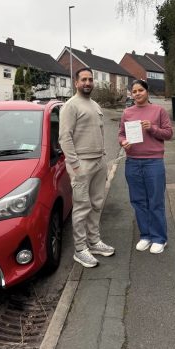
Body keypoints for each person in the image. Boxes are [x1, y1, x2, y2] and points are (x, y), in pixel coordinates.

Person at [59, 67, 115, 268]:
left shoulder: (95, 105)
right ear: (76, 83)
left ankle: (94, 241)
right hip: (81, 164)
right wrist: (75, 165)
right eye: (83, 79)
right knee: (82, 207)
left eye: (90, 79)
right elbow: (65, 137)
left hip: (99, 162)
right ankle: (80, 249)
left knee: (97, 204)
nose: (88, 83)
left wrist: (105, 160)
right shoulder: (70, 106)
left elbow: (99, 133)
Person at [118, 79, 173, 254]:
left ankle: (159, 238)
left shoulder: (159, 111)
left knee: (155, 200)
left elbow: (169, 134)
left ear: (147, 91)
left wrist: (153, 128)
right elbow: (121, 134)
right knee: (138, 201)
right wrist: (123, 142)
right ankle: (146, 235)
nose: (137, 94)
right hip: (132, 161)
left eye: (140, 90)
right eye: (134, 91)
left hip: (153, 161)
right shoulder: (127, 112)